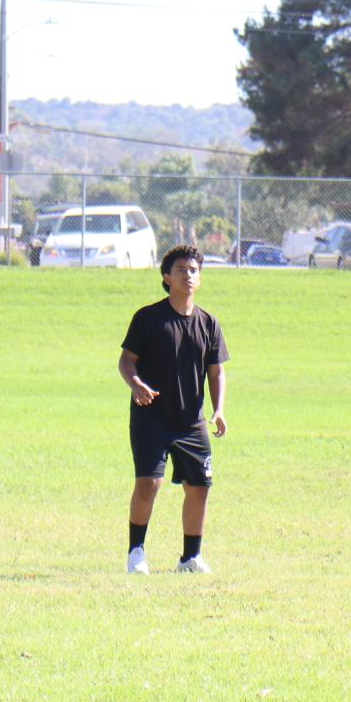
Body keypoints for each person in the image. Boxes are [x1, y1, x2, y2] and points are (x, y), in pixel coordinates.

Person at [119, 244, 229, 575]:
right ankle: (136, 552)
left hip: (191, 422)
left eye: (194, 270)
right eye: (181, 270)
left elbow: (217, 371)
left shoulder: (208, 323)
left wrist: (219, 409)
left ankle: (190, 558)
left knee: (200, 487)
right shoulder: (148, 318)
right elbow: (126, 361)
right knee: (149, 484)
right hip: (151, 417)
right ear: (167, 277)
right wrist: (136, 384)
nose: (188, 275)